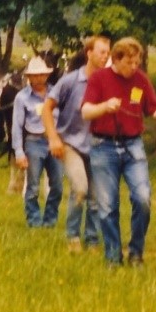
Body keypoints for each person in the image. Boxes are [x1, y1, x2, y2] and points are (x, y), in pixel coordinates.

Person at [81, 36, 156, 267]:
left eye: (137, 62)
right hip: (103, 146)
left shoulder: (140, 80)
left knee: (143, 198)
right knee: (107, 206)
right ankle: (113, 255)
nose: (135, 67)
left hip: (132, 145)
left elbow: (153, 109)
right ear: (116, 59)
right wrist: (105, 107)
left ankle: (136, 252)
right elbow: (86, 111)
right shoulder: (99, 79)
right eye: (130, 62)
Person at [42, 35, 111, 252]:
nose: (105, 56)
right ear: (89, 53)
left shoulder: (107, 83)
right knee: (80, 188)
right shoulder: (70, 81)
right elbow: (46, 108)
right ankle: (73, 236)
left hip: (98, 145)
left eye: (108, 53)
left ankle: (92, 240)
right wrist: (53, 138)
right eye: (102, 52)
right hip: (71, 144)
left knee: (96, 197)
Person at [12, 56, 63, 228]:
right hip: (34, 142)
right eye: (34, 75)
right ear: (29, 77)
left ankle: (50, 220)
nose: (38, 78)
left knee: (57, 184)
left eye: (41, 74)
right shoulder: (22, 98)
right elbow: (17, 126)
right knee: (33, 185)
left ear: (47, 75)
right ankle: (34, 221)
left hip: (54, 141)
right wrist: (19, 151)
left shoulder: (56, 93)